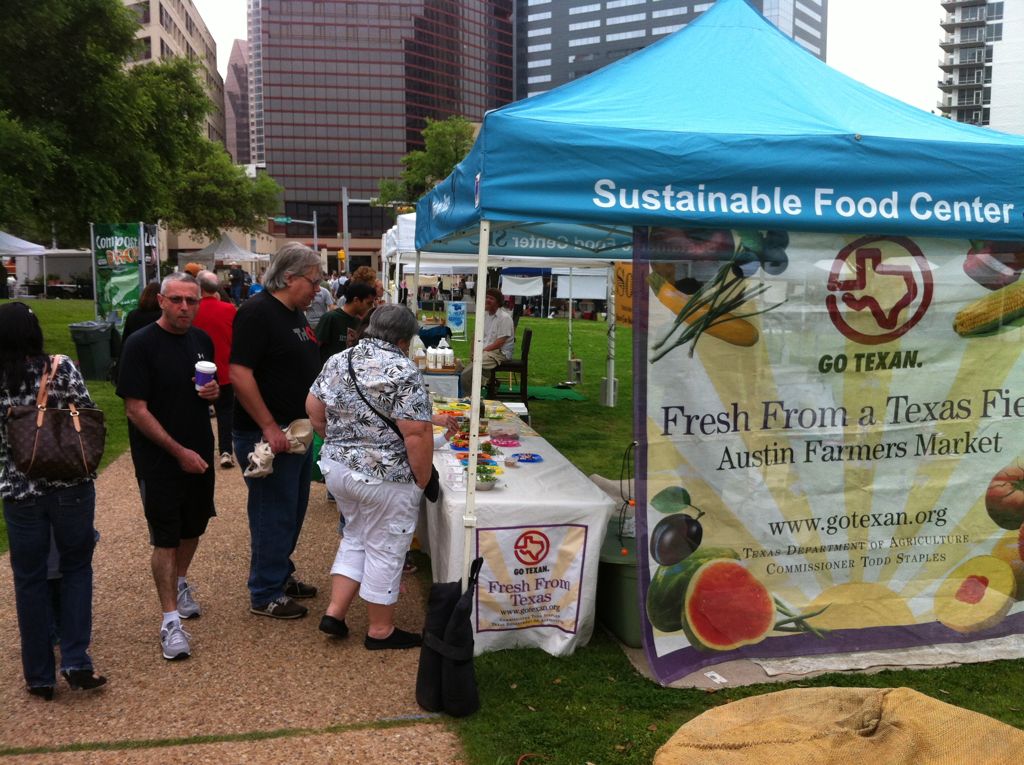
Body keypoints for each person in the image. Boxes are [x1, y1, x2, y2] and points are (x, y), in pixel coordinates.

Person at [306, 304, 432, 649]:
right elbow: (417, 434)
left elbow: (313, 406)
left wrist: (335, 439)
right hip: (384, 477)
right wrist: (421, 479)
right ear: (405, 339)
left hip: (338, 469)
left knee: (356, 537)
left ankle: (335, 613)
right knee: (387, 548)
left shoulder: (339, 359)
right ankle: (381, 631)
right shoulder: (403, 369)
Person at [0, 302, 107, 699]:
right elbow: (89, 413)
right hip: (69, 485)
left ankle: (39, 675)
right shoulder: (60, 367)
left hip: (19, 491)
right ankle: (77, 659)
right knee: (77, 570)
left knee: (29, 581)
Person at [117, 273, 220, 661]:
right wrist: (178, 452)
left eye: (191, 301)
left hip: (199, 452)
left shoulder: (201, 341)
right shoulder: (140, 345)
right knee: (165, 536)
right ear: (161, 301)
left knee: (194, 526)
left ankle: (179, 582)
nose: (183, 308)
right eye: (176, 300)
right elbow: (135, 409)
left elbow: (210, 392)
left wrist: (213, 392)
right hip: (160, 458)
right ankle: (170, 622)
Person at [230, 242, 322, 620]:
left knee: (293, 509)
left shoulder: (295, 313)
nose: (318, 289)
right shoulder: (257, 313)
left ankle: (279, 573)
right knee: (272, 510)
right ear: (289, 277)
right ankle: (265, 591)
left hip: (297, 431)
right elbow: (239, 373)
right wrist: (268, 427)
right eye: (313, 282)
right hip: (267, 434)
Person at [193, 270, 238, 468]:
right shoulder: (229, 309)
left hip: (198, 369)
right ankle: (226, 450)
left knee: (196, 412)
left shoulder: (193, 309)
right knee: (225, 412)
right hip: (224, 369)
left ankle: (199, 449)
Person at [460, 288, 514, 393]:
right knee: (466, 366)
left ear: (498, 302)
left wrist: (480, 352)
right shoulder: (484, 315)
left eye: (491, 298)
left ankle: (469, 398)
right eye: (486, 297)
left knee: (467, 372)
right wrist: (473, 352)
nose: (487, 300)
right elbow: (475, 336)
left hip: (500, 353)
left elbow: (499, 343)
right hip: (486, 351)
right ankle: (491, 382)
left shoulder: (505, 318)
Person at [315, 280, 376, 365]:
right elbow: (315, 347)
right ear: (356, 300)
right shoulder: (331, 318)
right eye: (369, 303)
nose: (371, 307)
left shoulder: (359, 321)